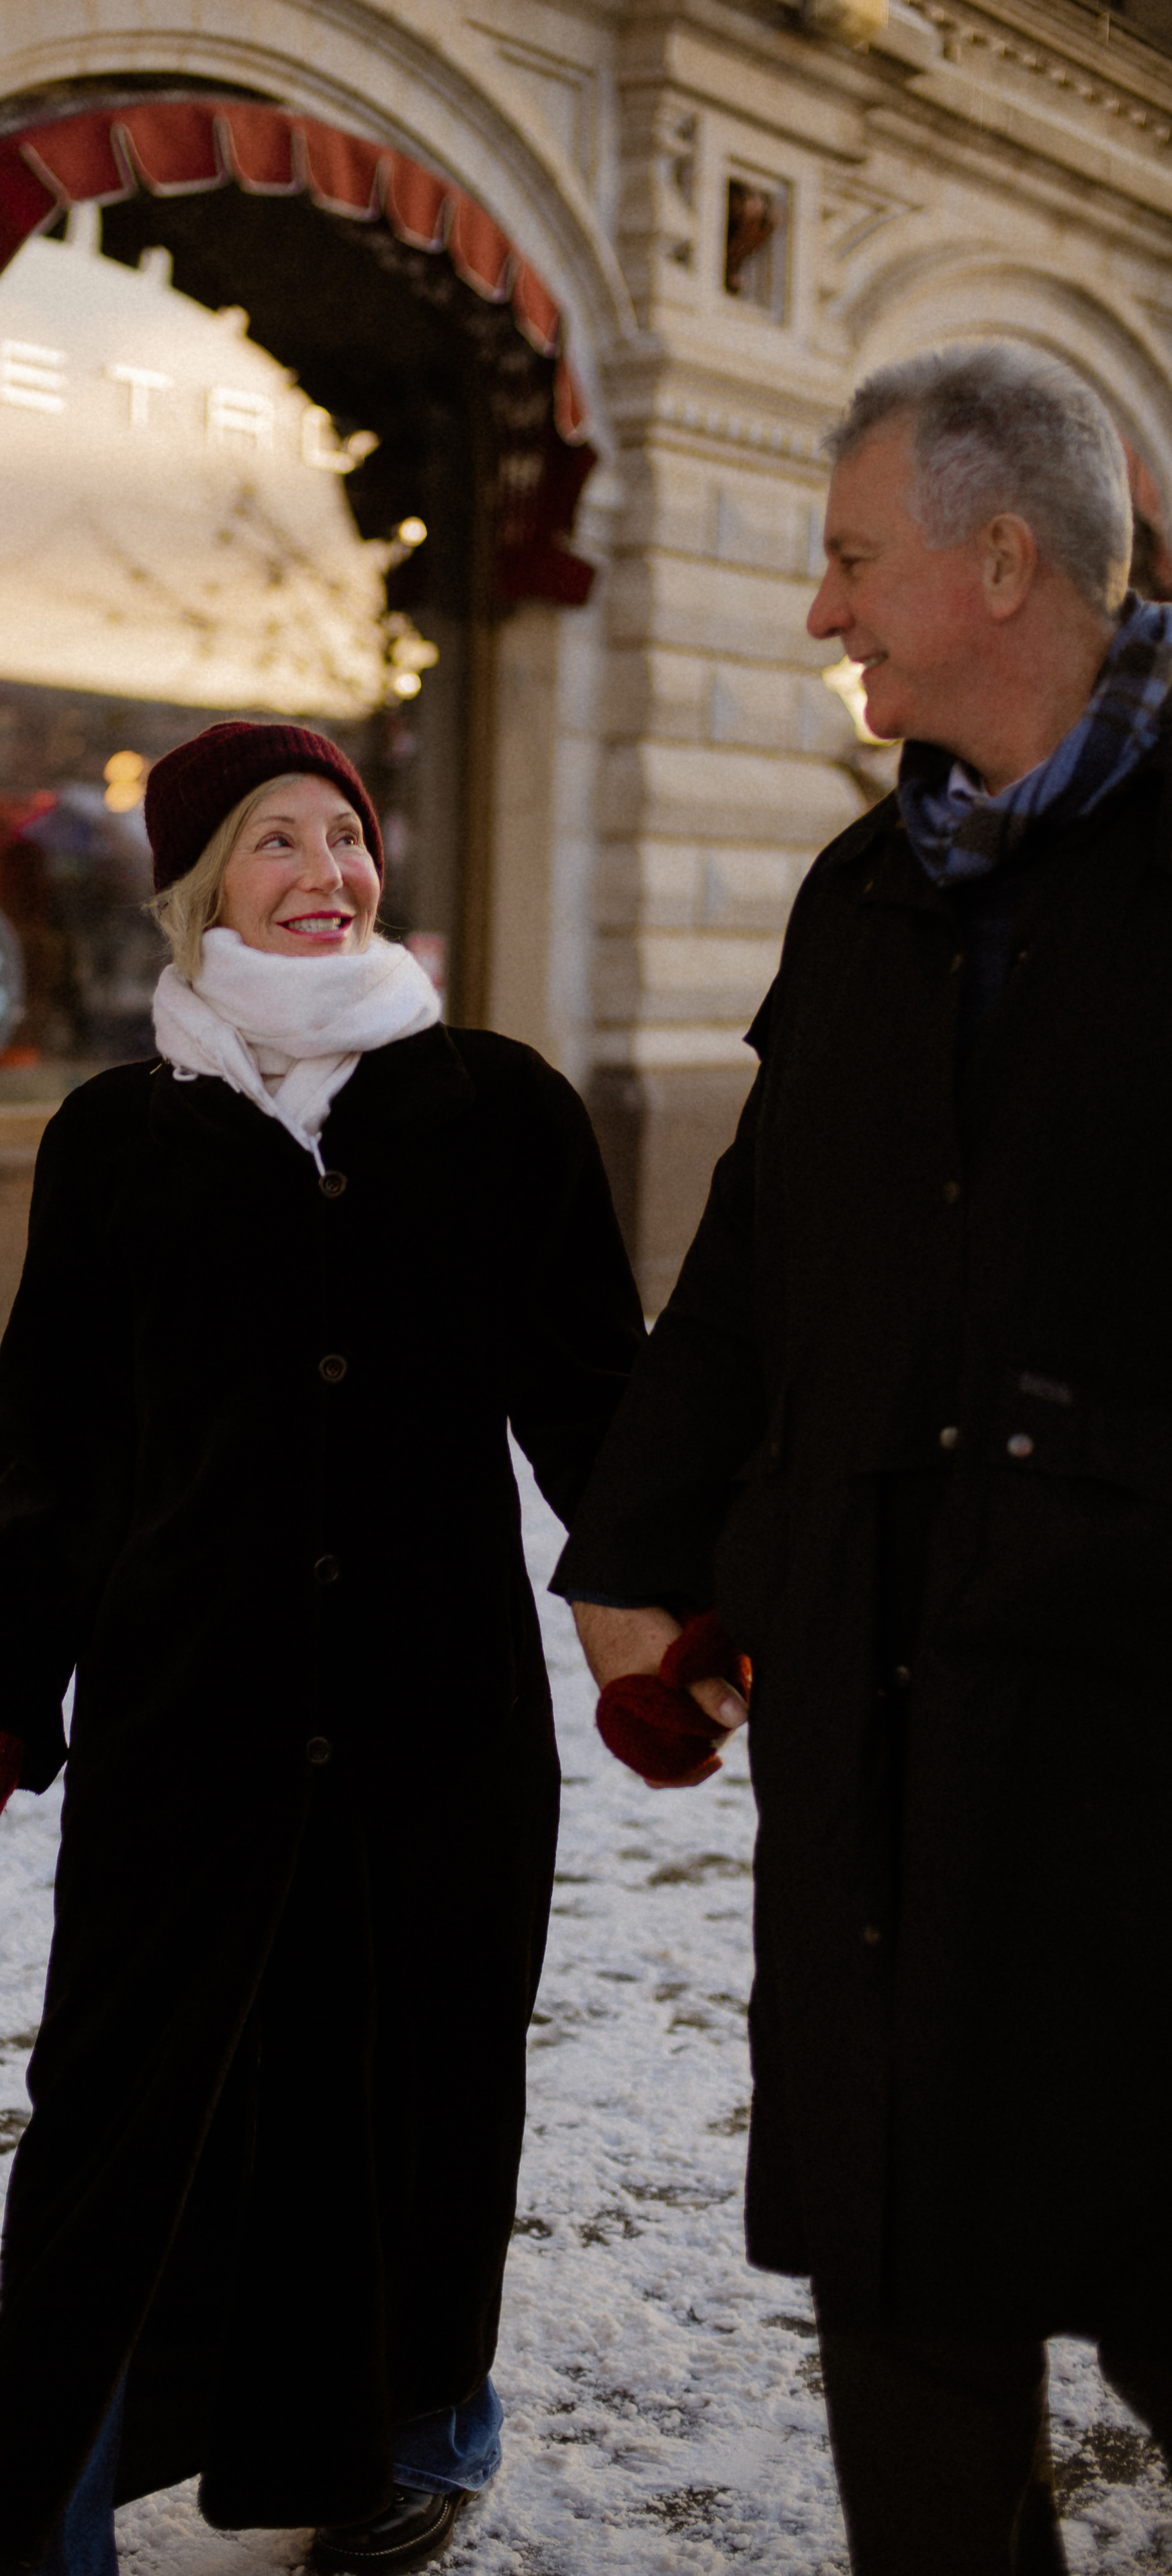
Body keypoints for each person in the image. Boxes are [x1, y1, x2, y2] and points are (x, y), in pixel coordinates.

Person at [0, 720, 644, 2575]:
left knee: (415, 2105)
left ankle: (399, 2439)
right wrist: (2, 1690)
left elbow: (609, 1432)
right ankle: (50, 2500)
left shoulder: (498, 1110)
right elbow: (56, 1462)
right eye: (274, 840)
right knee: (127, 2123)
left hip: (435, 1730)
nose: (327, 870)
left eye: (347, 836)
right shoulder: (118, 1138)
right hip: (188, 1726)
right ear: (200, 887)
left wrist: (679, 1621)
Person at [553, 340, 1172, 2573]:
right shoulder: (863, 886)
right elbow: (753, 1259)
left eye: (849, 558)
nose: (823, 614)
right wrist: (636, 1545)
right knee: (910, 2320)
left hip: (1129, 1763)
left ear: (1001, 561)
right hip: (879, 1743)